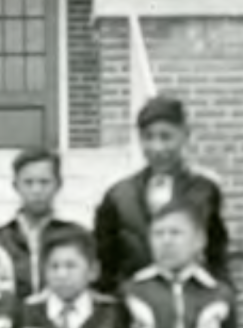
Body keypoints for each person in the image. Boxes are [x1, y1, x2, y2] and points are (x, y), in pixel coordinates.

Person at [93, 95, 231, 296]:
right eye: (148, 137)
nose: (157, 148)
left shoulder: (205, 190)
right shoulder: (119, 196)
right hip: (135, 305)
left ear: (185, 135)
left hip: (192, 302)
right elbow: (106, 263)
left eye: (166, 137)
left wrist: (223, 297)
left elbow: (217, 255)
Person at [0, 148, 80, 300]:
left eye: (44, 182)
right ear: (15, 185)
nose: (36, 190)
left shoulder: (75, 236)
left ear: (58, 185)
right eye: (28, 182)